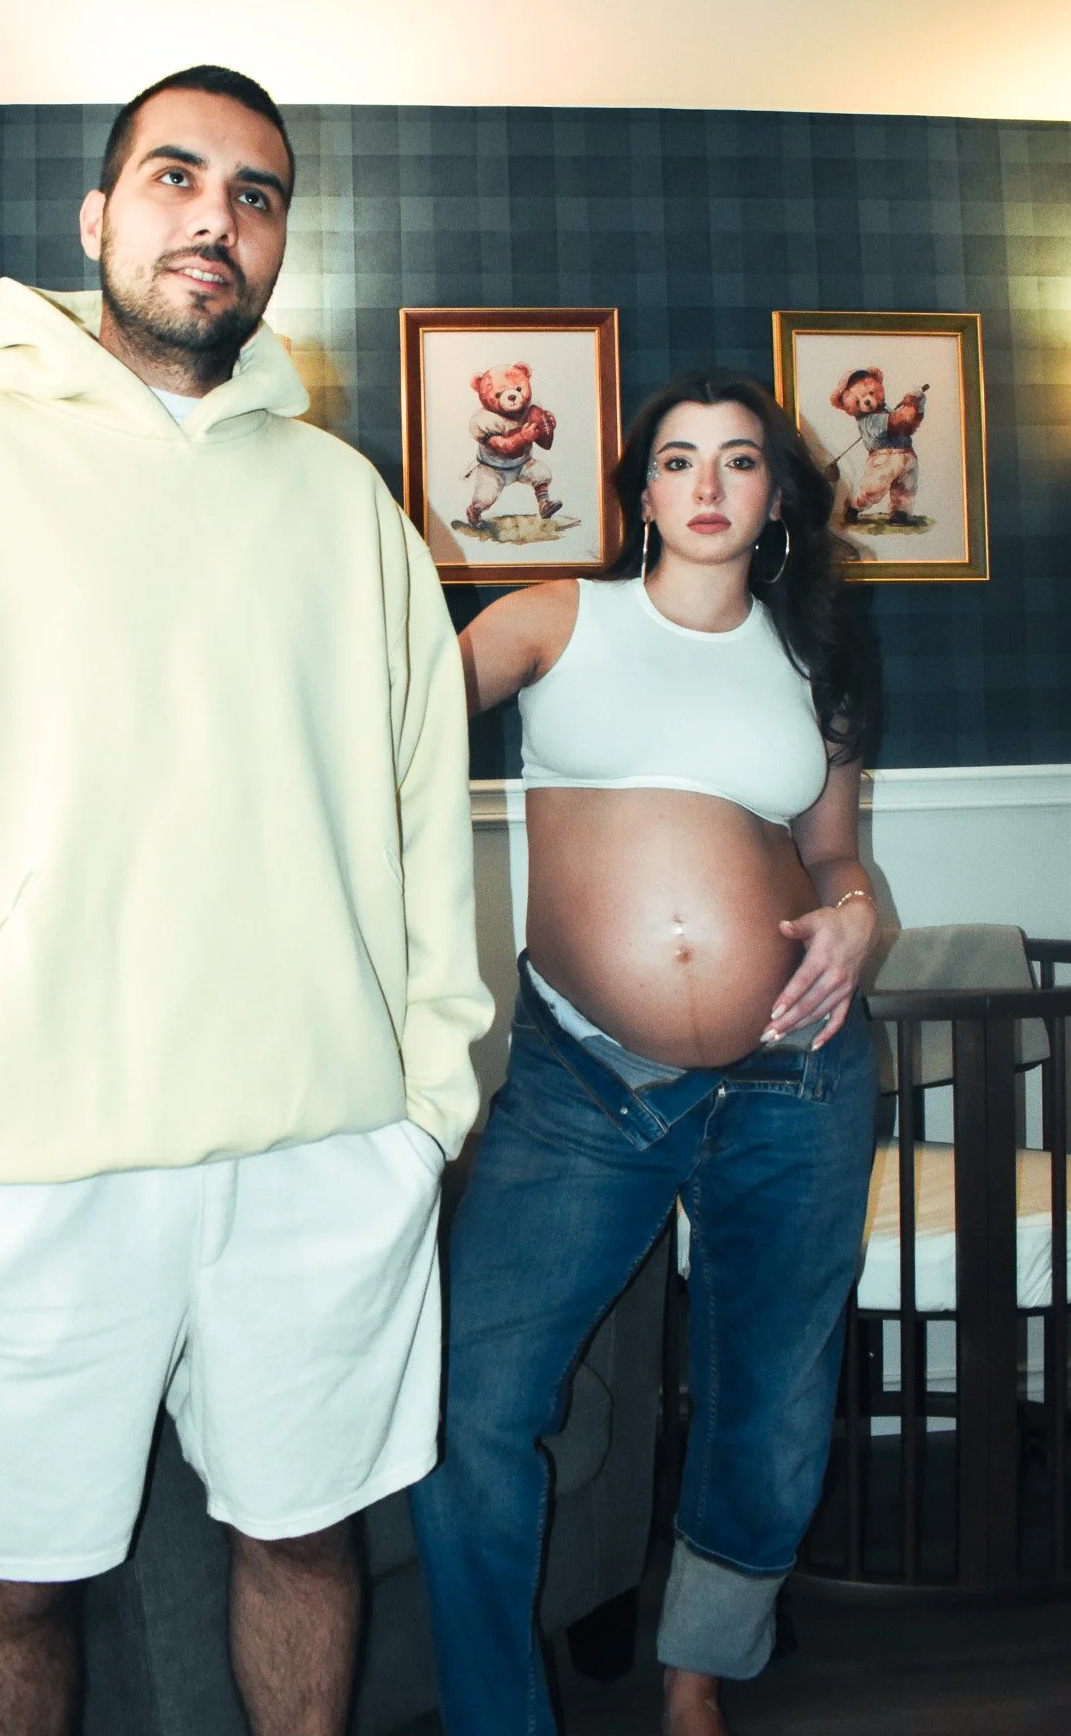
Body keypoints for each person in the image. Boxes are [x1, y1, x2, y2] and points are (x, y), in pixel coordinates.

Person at [0, 64, 492, 1736]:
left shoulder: (351, 514)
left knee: (305, 1544)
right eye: (176, 178)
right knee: (6, 1585)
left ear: (277, 247)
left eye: (255, 194)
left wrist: (427, 1111)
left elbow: (420, 839)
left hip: (317, 1154)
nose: (216, 219)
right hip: (19, 1168)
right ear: (98, 221)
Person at [410, 374, 880, 1736]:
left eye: (741, 460)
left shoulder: (819, 661)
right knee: (477, 1408)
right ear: (641, 494)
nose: (710, 484)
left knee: (770, 1406)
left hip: (799, 1079)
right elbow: (392, 718)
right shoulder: (561, 617)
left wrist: (855, 924)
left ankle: (697, 1678)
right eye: (678, 460)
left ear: (776, 500)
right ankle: (501, 1717)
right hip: (584, 1087)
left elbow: (844, 861)